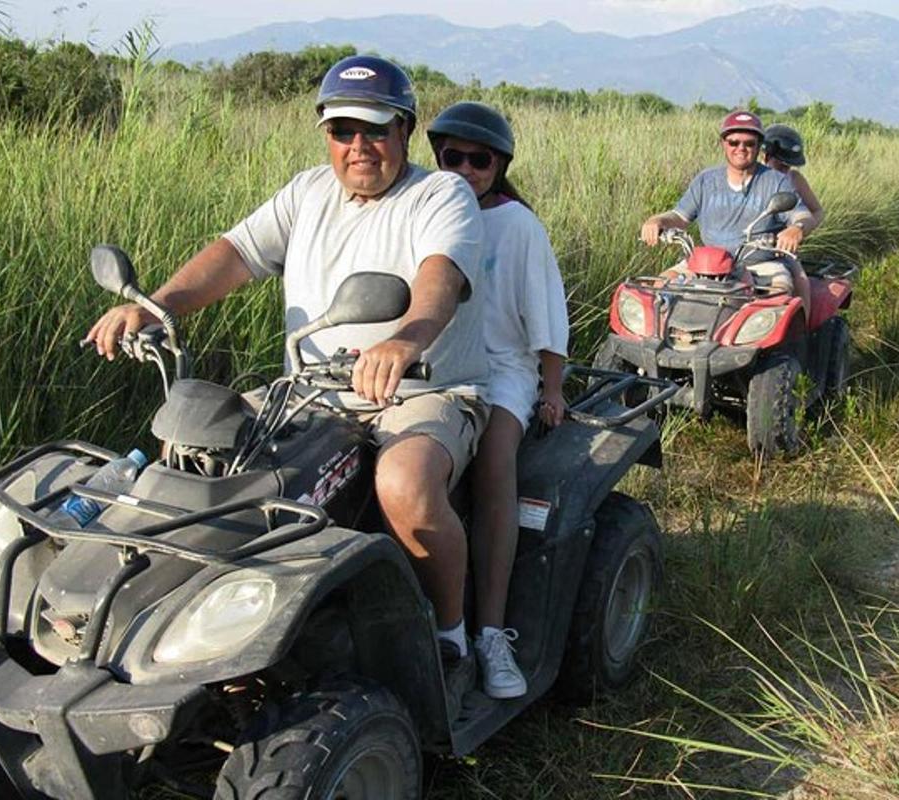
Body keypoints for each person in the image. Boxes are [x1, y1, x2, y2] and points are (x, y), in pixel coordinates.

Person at [84, 55, 487, 705]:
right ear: (326, 134)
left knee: (403, 482)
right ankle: (176, 618)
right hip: (309, 389)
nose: (359, 146)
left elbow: (438, 281)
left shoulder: (441, 195)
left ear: (406, 130)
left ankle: (449, 636)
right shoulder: (307, 193)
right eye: (342, 130)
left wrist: (404, 338)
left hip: (423, 388)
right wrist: (156, 308)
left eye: (376, 129)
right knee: (190, 445)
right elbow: (235, 255)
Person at [428, 102, 569, 700]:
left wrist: (552, 387)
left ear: (500, 164)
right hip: (435, 361)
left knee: (492, 460)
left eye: (478, 159)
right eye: (451, 156)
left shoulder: (518, 226)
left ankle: (490, 632)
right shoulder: (425, 209)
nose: (464, 168)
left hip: (501, 368)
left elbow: (546, 314)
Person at [640, 110, 814, 307]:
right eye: (734, 142)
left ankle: (800, 337)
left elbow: (803, 215)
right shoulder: (706, 180)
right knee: (657, 293)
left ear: (759, 147)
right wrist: (656, 221)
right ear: (723, 143)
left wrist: (796, 229)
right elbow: (679, 216)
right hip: (705, 264)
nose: (741, 148)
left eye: (749, 143)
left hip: (760, 266)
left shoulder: (776, 182)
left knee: (777, 304)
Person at [763, 123, 824, 234]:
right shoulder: (754, 178)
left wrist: (799, 228)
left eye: (788, 166)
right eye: (780, 166)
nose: (784, 171)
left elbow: (817, 211)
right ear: (766, 157)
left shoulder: (794, 178)